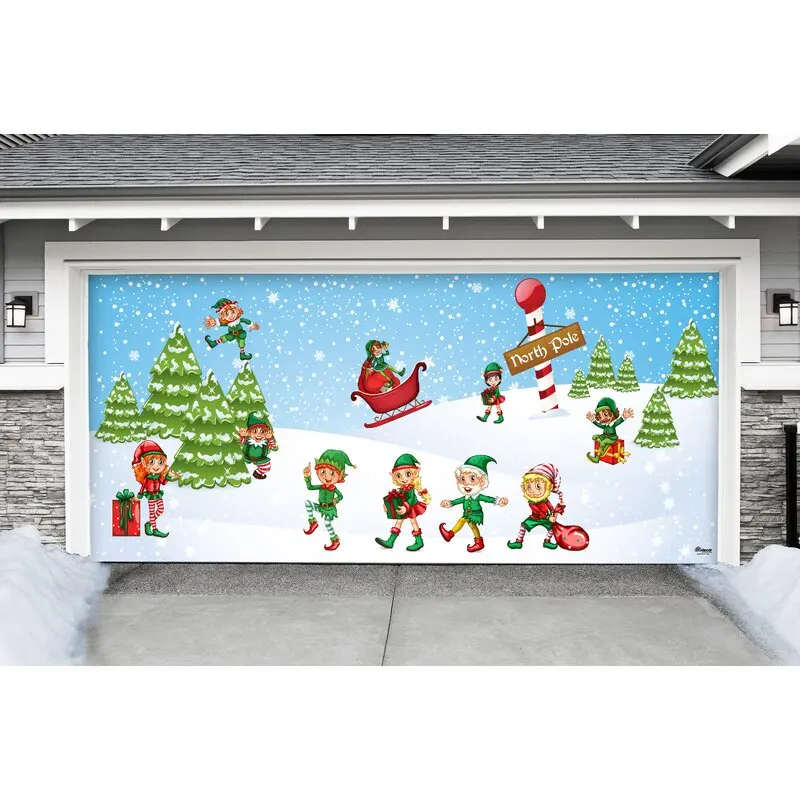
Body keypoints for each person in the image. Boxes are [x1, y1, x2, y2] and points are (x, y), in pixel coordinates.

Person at [507, 463, 588, 551]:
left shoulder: (545, 500)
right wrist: (549, 517)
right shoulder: (532, 502)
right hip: (535, 518)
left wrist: (554, 512)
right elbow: (539, 511)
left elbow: (550, 507)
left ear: (549, 487)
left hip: (546, 518)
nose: (532, 491)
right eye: (529, 486)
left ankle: (547, 541)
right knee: (523, 526)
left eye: (538, 486)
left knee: (552, 529)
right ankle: (519, 542)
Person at [439, 455, 508, 553]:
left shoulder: (478, 496)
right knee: (473, 526)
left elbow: (488, 499)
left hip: (475, 514)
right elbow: (457, 501)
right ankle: (479, 543)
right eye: (463, 479)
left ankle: (450, 534)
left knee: (462, 520)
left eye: (472, 478)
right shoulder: (466, 497)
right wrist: (449, 503)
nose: (466, 483)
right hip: (468, 513)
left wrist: (498, 501)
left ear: (482, 481)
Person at [303, 449, 356, 551]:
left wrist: (336, 500)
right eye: (323, 472)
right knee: (308, 503)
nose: (327, 476)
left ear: (340, 475)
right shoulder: (321, 487)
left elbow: (341, 496)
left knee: (327, 524)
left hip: (330, 509)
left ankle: (335, 541)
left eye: (332, 473)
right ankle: (313, 522)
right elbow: (310, 487)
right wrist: (307, 477)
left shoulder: (334, 488)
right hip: (321, 507)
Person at [376, 453, 430, 552]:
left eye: (408, 474)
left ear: (415, 473)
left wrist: (406, 507)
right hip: (404, 508)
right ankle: (390, 541)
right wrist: (388, 506)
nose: (403, 479)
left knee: (413, 522)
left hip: (411, 507)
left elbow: (411, 499)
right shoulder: (402, 489)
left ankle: (419, 541)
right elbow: (397, 498)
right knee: (399, 521)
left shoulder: (410, 488)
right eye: (399, 475)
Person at [131, 440, 180, 538]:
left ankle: (148, 523)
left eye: (160, 462)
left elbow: (163, 482)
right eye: (152, 462)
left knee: (161, 509)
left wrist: (169, 476)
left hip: (157, 494)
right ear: (144, 463)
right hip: (150, 496)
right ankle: (155, 530)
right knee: (152, 512)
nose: (156, 466)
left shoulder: (158, 477)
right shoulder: (147, 478)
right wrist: (139, 496)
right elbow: (143, 487)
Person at [586, 396, 634, 463]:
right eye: (600, 416)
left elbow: (619, 421)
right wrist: (593, 420)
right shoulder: (605, 425)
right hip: (604, 436)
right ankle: (602, 448)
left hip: (612, 438)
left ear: (612, 414)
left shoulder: (613, 424)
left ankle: (597, 458)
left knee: (603, 442)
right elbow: (599, 425)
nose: (603, 418)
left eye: (605, 415)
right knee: (595, 437)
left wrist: (624, 417)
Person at [237, 411, 278, 480]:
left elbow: (273, 446)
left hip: (260, 459)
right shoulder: (249, 440)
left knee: (267, 467)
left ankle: (257, 473)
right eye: (255, 431)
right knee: (240, 463)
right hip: (247, 458)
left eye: (262, 431)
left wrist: (270, 438)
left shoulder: (265, 442)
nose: (259, 435)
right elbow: (241, 442)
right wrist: (242, 436)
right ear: (249, 432)